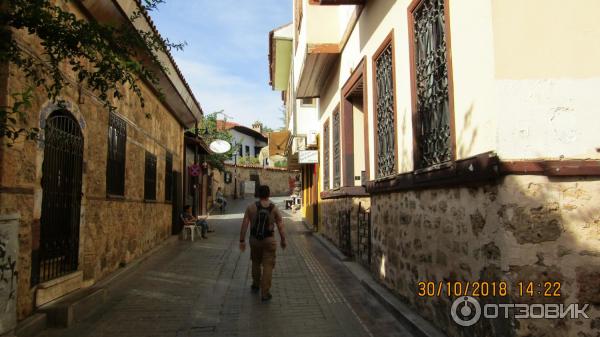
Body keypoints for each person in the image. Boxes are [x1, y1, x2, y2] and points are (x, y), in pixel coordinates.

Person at [239, 185, 286, 302]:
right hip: (269, 240)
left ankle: (255, 284)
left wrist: (242, 240)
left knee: (255, 262)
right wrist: (283, 240)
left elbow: (245, 224)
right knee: (268, 266)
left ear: (258, 194)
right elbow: (280, 225)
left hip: (255, 240)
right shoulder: (274, 208)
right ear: (269, 194)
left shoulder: (250, 208)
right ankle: (265, 293)